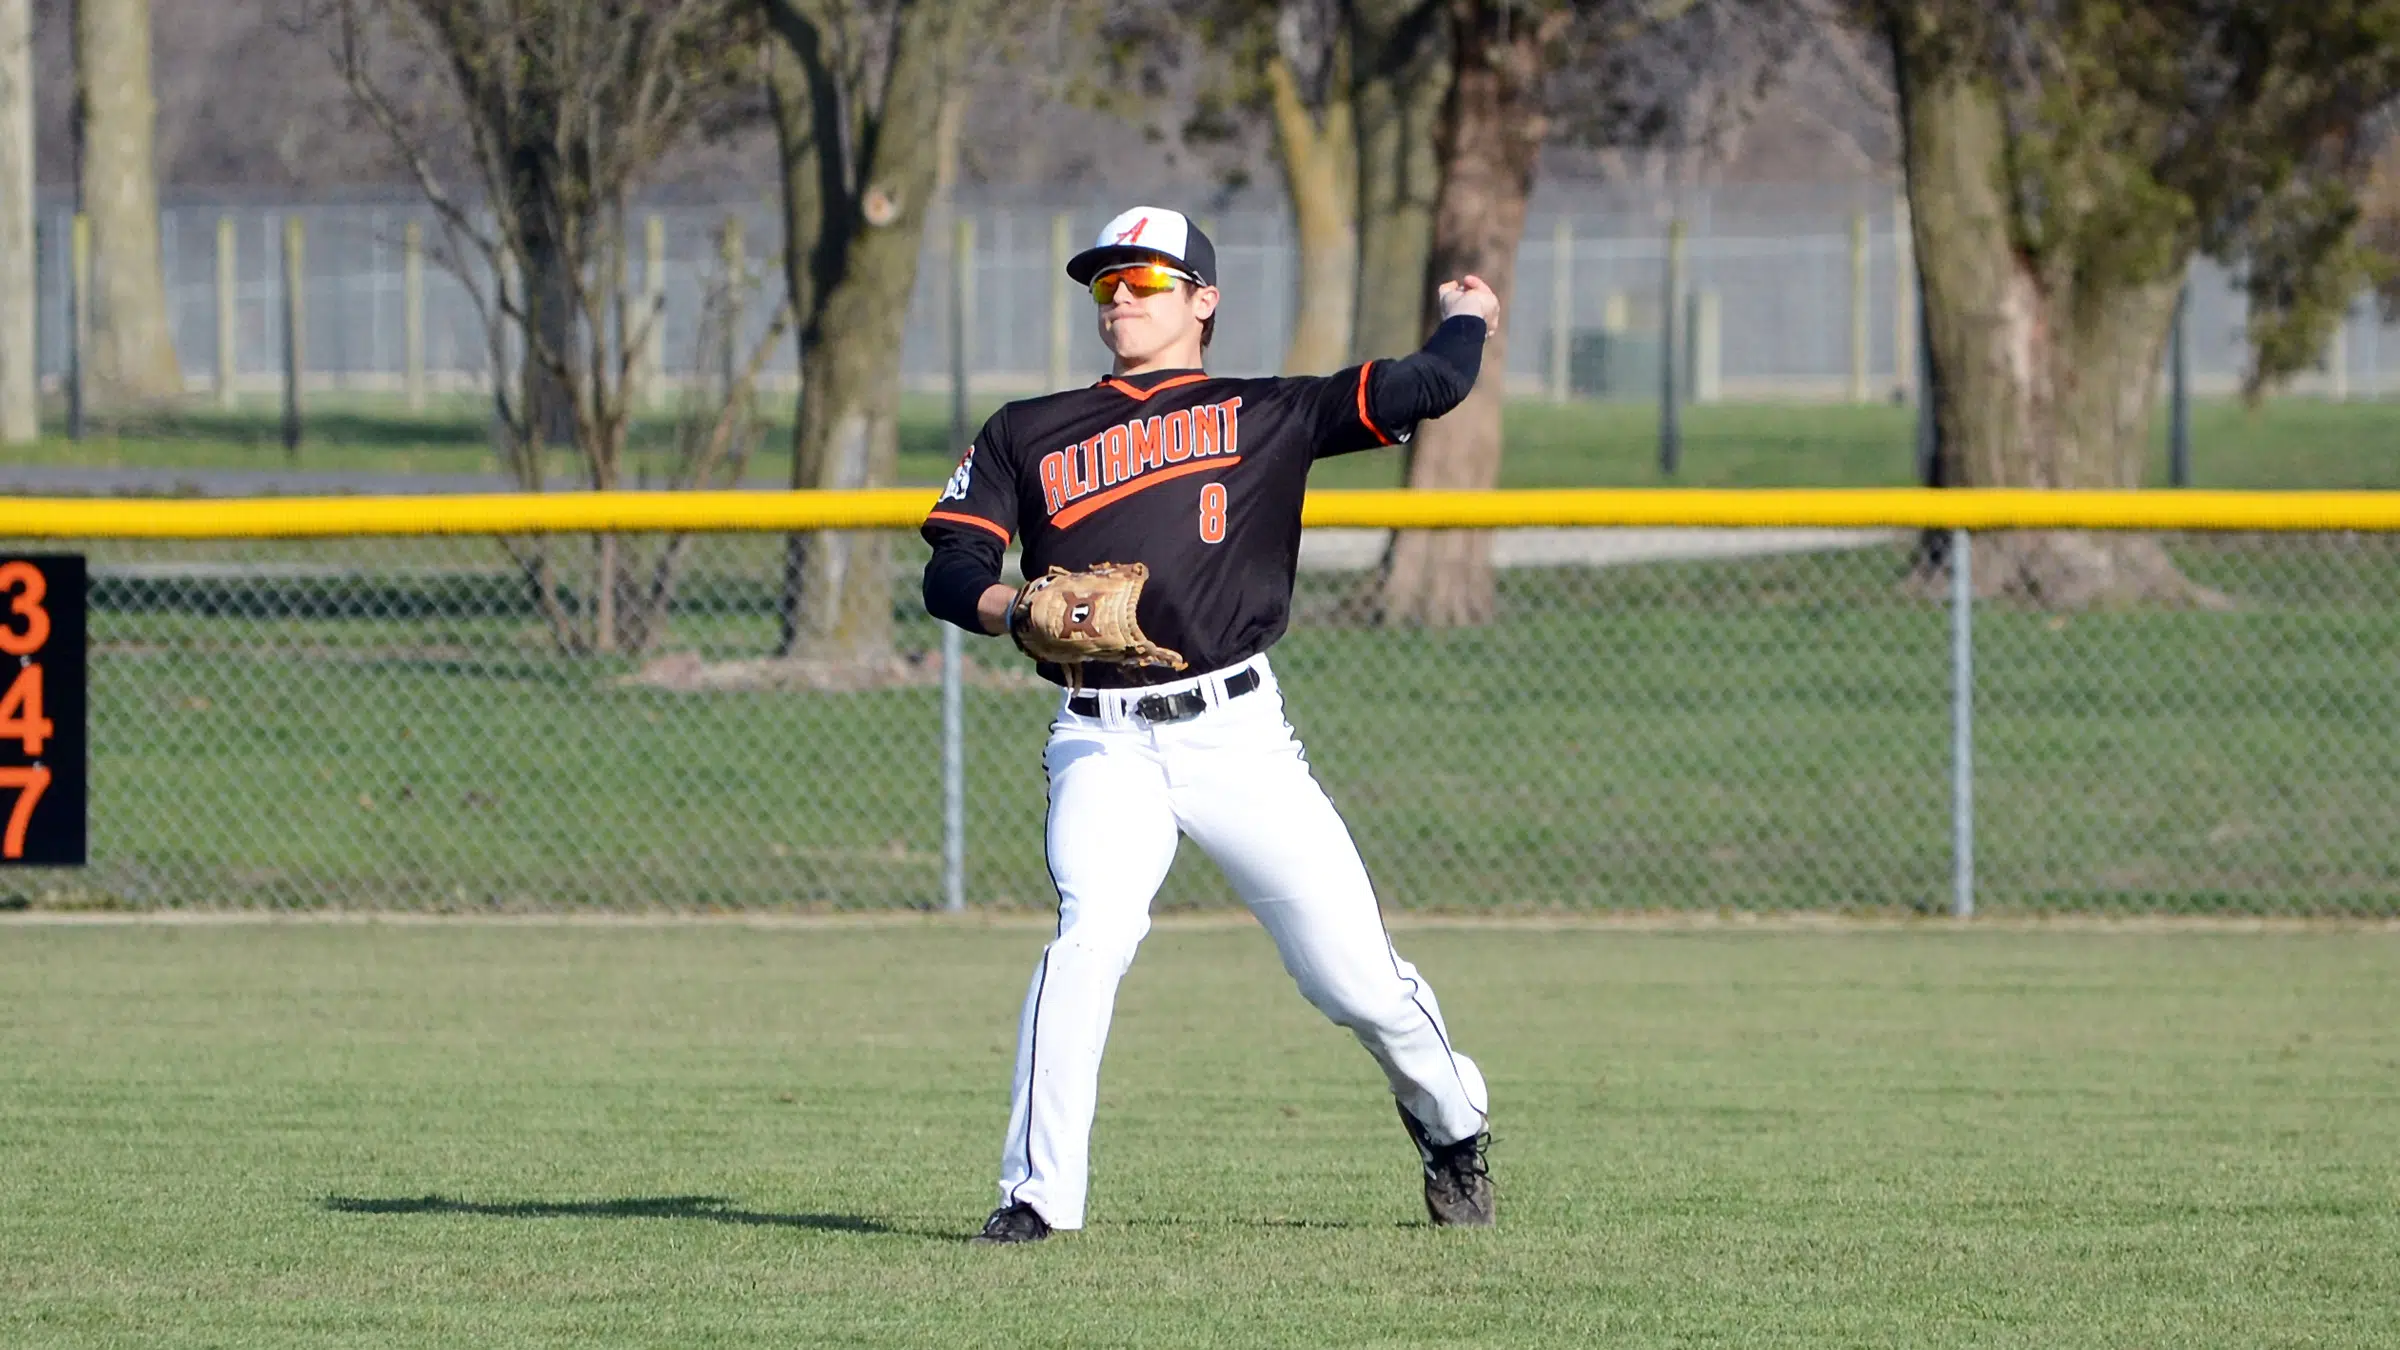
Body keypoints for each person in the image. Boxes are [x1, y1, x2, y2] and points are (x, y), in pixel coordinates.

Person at [920, 206, 1499, 1244]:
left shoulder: (1265, 411)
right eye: (1106, 286)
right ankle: (1037, 1198)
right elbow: (951, 568)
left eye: (1144, 282)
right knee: (1086, 942)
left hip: (1237, 737)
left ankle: (1452, 1123)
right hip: (1101, 735)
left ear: (1203, 301)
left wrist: (1468, 318)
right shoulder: (1028, 429)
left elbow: (1431, 387)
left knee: (1355, 984)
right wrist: (1014, 609)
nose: (1123, 301)